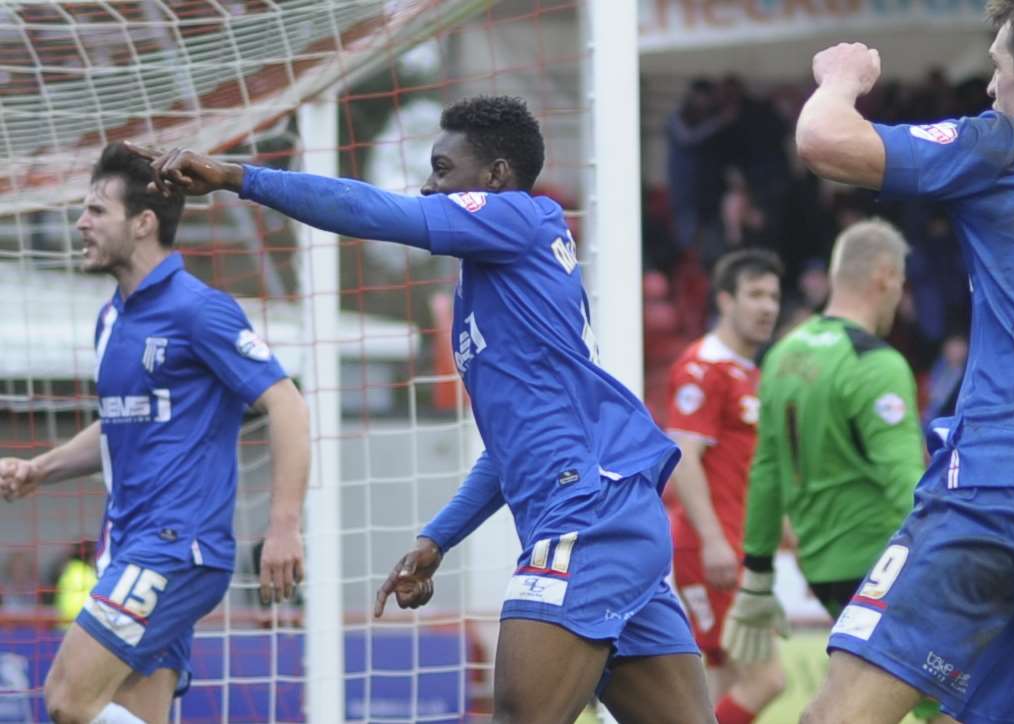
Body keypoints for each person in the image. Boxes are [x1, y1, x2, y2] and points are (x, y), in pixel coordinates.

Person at [129, 96, 716, 724]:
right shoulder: (493, 281)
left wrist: (238, 177)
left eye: (442, 168)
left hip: (588, 513)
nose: (428, 185)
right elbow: (509, 449)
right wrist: (437, 539)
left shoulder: (517, 217)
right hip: (609, 513)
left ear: (492, 177)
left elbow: (371, 210)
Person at [791, 1, 1014, 721]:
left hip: (1002, 484)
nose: (990, 89)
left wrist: (840, 77)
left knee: (840, 711)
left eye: (996, 69)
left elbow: (824, 140)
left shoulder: (1009, 144)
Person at [0, 142, 311, 724]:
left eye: (96, 211)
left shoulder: (200, 310)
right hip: (128, 547)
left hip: (177, 548)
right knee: (131, 713)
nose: (80, 223)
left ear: (143, 223)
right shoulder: (112, 317)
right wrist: (40, 469)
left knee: (68, 700)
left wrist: (283, 527)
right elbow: (119, 420)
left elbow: (286, 403)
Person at [721, 220, 941, 719]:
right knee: (961, 694)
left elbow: (767, 470)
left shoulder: (782, 354)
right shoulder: (875, 363)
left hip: (822, 568)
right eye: (901, 283)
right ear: (885, 276)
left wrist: (756, 573)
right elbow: (905, 484)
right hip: (882, 563)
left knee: (887, 695)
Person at [665, 248, 786, 724]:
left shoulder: (750, 373)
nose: (767, 307)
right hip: (710, 546)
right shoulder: (704, 366)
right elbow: (683, 458)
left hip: (734, 544)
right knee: (767, 680)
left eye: (773, 296)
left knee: (720, 689)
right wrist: (714, 541)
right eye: (755, 294)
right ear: (725, 301)